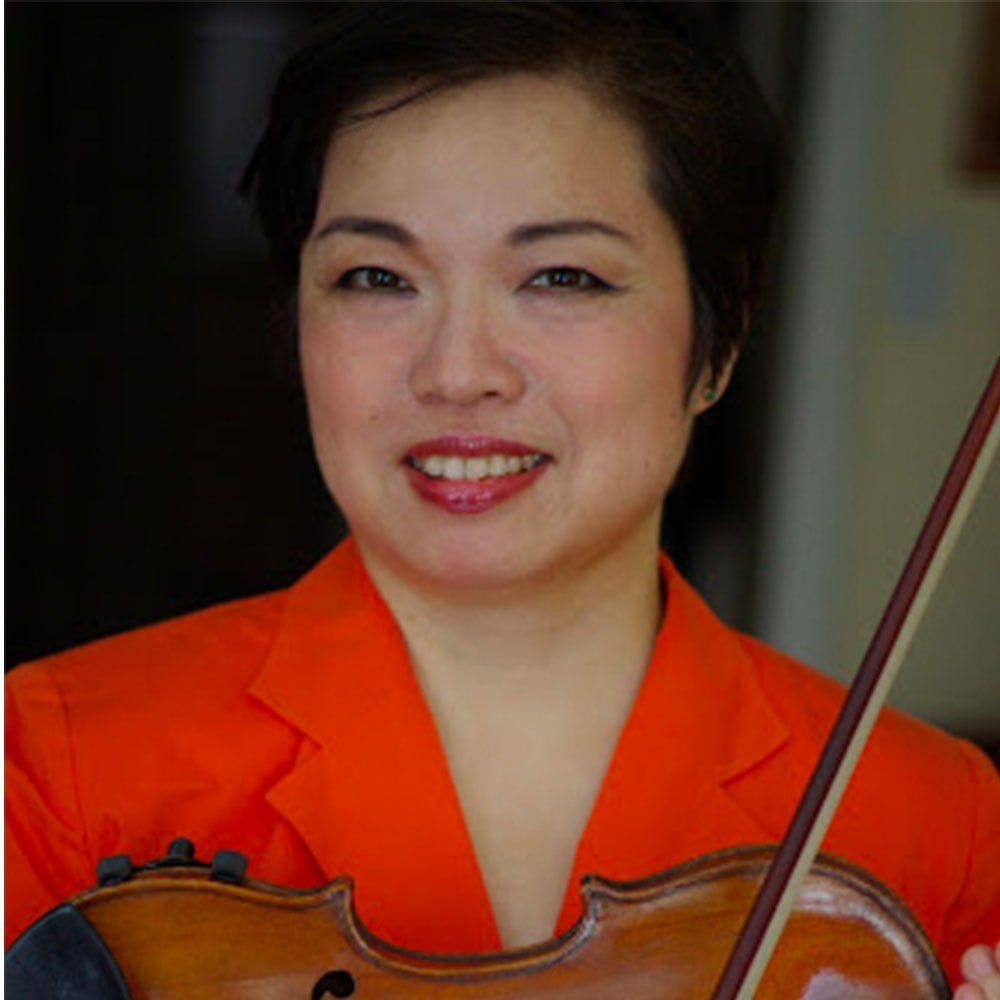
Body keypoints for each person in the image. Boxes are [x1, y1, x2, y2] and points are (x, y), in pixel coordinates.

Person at [6, 4, 999, 995]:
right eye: (375, 277)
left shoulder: (927, 823)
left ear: (719, 339)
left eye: (561, 275)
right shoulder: (60, 770)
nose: (456, 371)